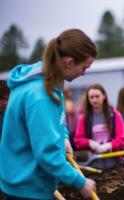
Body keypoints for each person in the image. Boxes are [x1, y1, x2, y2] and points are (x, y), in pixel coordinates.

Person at [0, 29, 97, 199]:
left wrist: (64, 137)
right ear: (69, 62)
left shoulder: (48, 80)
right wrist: (80, 183)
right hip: (27, 188)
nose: (84, 73)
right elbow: (47, 153)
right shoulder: (40, 96)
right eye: (84, 67)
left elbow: (57, 120)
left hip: (28, 182)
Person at [74, 83, 124, 169]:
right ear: (88, 99)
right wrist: (90, 143)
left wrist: (109, 146)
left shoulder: (115, 115)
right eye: (91, 97)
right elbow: (78, 140)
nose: (94, 100)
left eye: (97, 96)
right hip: (94, 163)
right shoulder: (84, 118)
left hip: (115, 163)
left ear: (104, 96)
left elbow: (122, 138)